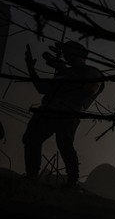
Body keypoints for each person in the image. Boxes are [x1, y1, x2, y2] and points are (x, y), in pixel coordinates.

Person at [23, 40, 104, 187]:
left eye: (69, 52)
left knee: (64, 144)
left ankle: (72, 181)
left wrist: (64, 69)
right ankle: (31, 175)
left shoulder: (92, 72)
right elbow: (42, 88)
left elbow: (90, 88)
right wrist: (31, 68)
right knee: (31, 138)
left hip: (68, 113)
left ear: (80, 54)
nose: (66, 56)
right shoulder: (63, 72)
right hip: (48, 111)